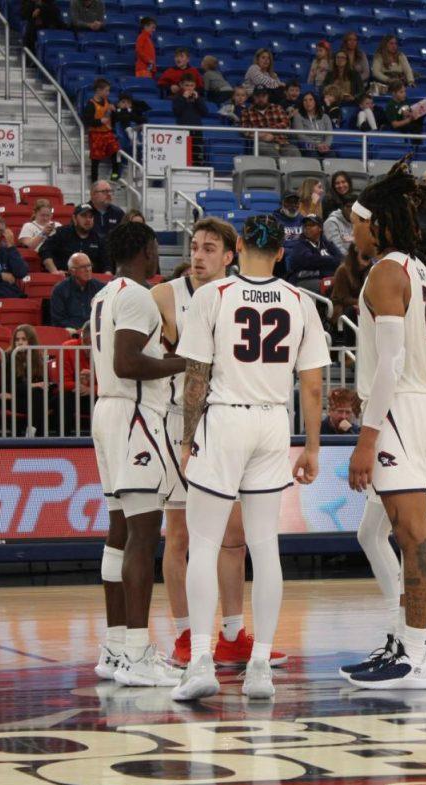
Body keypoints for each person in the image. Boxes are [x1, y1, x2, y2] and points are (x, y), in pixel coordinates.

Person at [169, 215, 326, 701]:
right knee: (264, 547)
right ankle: (260, 668)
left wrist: (185, 438)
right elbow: (315, 385)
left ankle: (200, 660)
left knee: (205, 540)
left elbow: (196, 376)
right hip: (273, 422)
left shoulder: (211, 296)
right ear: (281, 253)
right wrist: (313, 446)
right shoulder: (302, 302)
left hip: (227, 418)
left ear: (236, 248)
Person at [336, 161, 426, 690]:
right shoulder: (419, 270)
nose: (352, 230)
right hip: (418, 405)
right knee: (391, 530)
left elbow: (390, 364)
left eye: (357, 223)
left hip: (398, 408)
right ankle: (408, 642)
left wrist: (367, 435)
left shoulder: (385, 272)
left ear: (377, 223)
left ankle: (420, 657)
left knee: (413, 532)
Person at [151, 219, 266, 667]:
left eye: (209, 248)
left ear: (228, 256)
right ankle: (184, 635)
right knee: (180, 536)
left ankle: (234, 634)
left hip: (229, 422)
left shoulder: (243, 294)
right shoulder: (164, 296)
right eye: (194, 247)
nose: (198, 255)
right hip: (182, 421)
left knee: (233, 537)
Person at [89, 223, 187, 687]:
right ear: (146, 250)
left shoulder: (105, 294)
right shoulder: (137, 296)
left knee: (120, 528)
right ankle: (136, 652)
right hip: (132, 415)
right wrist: (183, 363)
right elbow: (126, 362)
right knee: (143, 534)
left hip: (109, 414)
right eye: (155, 248)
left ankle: (114, 648)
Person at [40, 202, 108, 273]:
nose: (88, 219)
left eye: (91, 216)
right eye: (84, 216)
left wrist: (107, 274)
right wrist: (54, 271)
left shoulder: (99, 238)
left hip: (90, 280)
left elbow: (107, 263)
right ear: (74, 218)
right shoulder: (61, 233)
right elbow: (45, 251)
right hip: (64, 278)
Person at [285, 215, 342, 293]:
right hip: (301, 281)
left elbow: (340, 258)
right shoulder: (299, 245)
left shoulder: (326, 243)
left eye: (311, 225)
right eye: (305, 225)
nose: (307, 228)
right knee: (330, 285)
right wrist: (330, 261)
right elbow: (311, 260)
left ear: (320, 228)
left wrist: (325, 263)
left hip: (324, 278)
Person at [50, 252, 104, 330]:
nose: (88, 269)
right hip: (71, 332)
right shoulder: (59, 290)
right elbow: (58, 320)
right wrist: (77, 330)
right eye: (83, 267)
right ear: (72, 271)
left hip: (96, 330)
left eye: (89, 266)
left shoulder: (100, 288)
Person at [238, 86, 297, 158]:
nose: (261, 99)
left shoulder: (277, 108)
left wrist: (268, 131)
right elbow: (246, 131)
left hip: (282, 142)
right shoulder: (246, 112)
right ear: (254, 97)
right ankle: (279, 166)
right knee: (262, 147)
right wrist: (262, 137)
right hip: (262, 142)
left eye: (263, 96)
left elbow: (286, 123)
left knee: (294, 150)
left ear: (267, 96)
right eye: (258, 96)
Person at [82, 79, 121, 182]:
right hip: (96, 134)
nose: (108, 93)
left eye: (108, 91)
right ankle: (94, 182)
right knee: (96, 159)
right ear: (99, 90)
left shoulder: (109, 102)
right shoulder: (91, 104)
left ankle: (115, 176)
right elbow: (87, 120)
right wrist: (99, 121)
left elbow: (115, 119)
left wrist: (114, 111)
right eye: (106, 91)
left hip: (108, 133)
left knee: (116, 152)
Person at [291, 92, 334, 157]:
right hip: (307, 147)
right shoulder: (298, 117)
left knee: (331, 155)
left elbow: (329, 134)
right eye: (305, 100)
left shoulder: (325, 117)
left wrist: (325, 145)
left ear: (315, 102)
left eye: (311, 100)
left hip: (324, 146)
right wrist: (317, 145)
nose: (308, 102)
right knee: (313, 154)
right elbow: (300, 136)